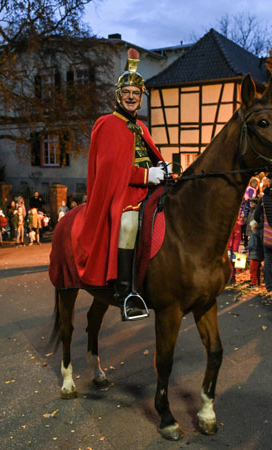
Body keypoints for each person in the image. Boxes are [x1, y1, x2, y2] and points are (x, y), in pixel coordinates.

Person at [70, 49, 166, 321]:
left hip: (148, 188)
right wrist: (146, 176)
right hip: (122, 192)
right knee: (128, 224)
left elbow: (149, 156)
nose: (132, 97)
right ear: (118, 95)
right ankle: (126, 293)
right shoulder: (107, 124)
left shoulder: (142, 127)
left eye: (136, 93)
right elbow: (111, 170)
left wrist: (162, 169)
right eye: (127, 92)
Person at [246, 220, 264, 287]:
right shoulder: (260, 233)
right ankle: (258, 282)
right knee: (258, 269)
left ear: (253, 227)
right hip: (259, 253)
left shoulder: (253, 235)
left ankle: (254, 284)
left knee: (252, 269)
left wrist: (245, 248)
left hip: (254, 254)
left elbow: (251, 245)